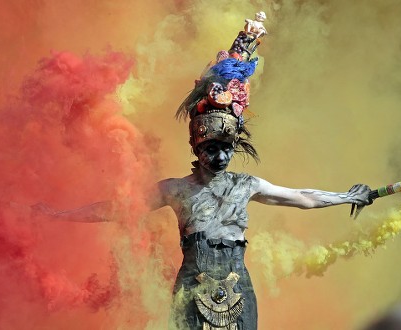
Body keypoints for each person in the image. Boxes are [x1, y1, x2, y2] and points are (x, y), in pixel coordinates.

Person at [33, 13, 373, 329]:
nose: (222, 156)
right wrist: (59, 215)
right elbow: (116, 209)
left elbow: (301, 197)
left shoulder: (245, 185)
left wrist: (348, 196)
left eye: (227, 148)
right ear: (197, 149)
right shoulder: (176, 190)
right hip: (191, 292)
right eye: (212, 148)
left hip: (239, 290)